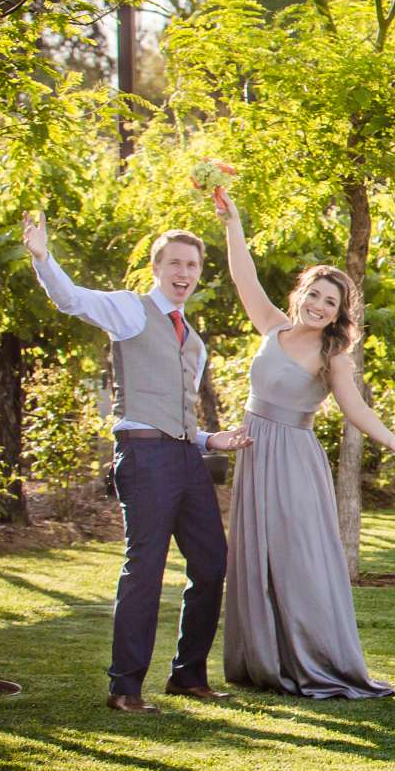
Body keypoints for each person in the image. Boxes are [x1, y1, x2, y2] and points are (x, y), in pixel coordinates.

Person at [22, 210, 253, 712]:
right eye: (175, 263)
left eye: (192, 265)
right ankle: (125, 687)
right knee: (144, 570)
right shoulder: (130, 310)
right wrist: (43, 257)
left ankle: (187, 675)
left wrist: (214, 441)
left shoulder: (194, 341)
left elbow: (184, 418)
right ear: (157, 267)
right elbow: (71, 299)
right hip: (144, 456)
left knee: (213, 565)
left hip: (185, 459)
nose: (184, 273)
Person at [216, 193, 395, 699]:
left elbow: (355, 409)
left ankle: (318, 658)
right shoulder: (273, 327)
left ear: (338, 314)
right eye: (315, 295)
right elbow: (244, 276)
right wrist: (233, 223)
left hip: (293, 459)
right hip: (254, 450)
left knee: (298, 558)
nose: (320, 305)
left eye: (331, 301)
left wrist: (392, 439)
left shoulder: (335, 356)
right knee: (256, 555)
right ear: (300, 295)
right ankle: (264, 659)